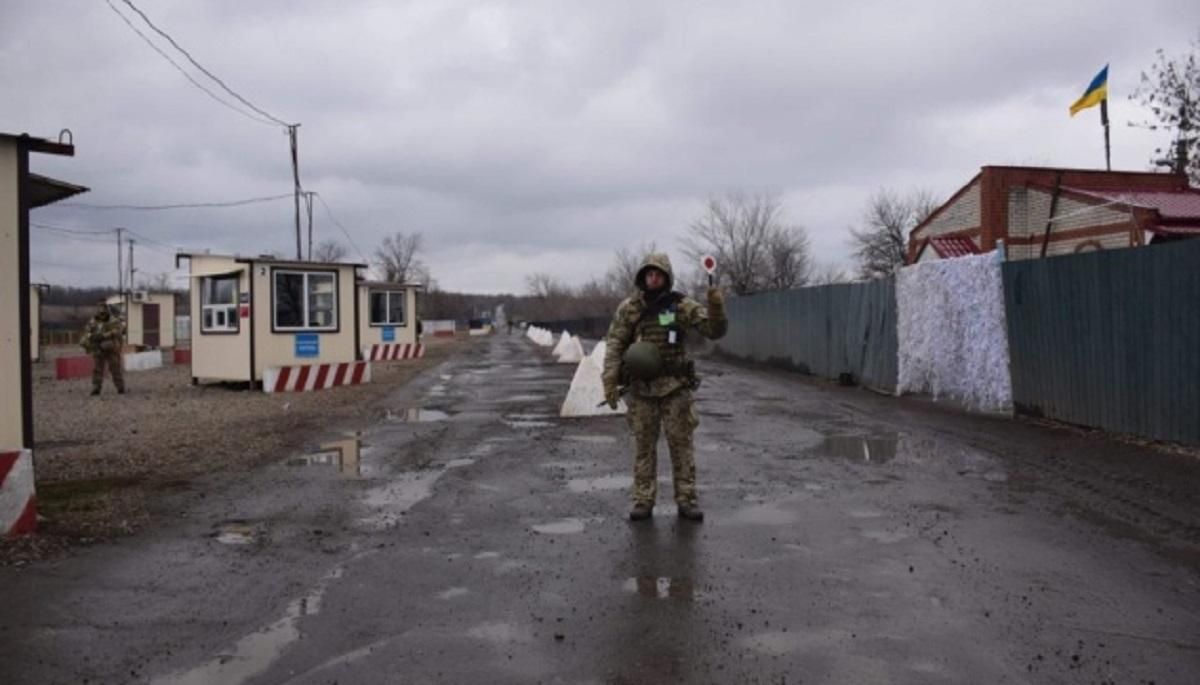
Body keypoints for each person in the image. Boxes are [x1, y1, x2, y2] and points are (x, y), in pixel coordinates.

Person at [602, 253, 726, 522]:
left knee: (681, 446)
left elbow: (714, 331)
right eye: (649, 274)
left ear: (666, 277)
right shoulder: (630, 308)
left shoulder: (680, 305)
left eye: (658, 274)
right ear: (642, 277)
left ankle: (686, 499)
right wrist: (609, 380)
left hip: (675, 388)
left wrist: (716, 306)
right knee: (643, 447)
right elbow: (614, 344)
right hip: (642, 390)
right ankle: (643, 500)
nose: (653, 278)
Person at [81, 303, 126, 396]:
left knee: (115, 367)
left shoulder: (113, 320)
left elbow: (118, 331)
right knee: (97, 368)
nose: (102, 312)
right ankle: (96, 387)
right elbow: (87, 331)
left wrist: (105, 335)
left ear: (107, 310)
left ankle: (120, 387)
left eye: (103, 310)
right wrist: (87, 340)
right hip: (98, 347)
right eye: (100, 310)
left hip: (111, 347)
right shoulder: (93, 321)